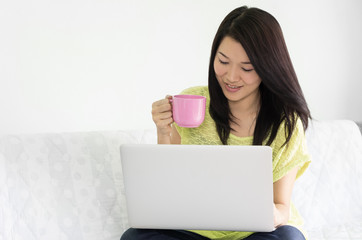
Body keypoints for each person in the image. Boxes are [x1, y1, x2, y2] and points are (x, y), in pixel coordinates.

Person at [121, 5, 311, 240]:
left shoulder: (285, 124)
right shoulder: (192, 101)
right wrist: (163, 130)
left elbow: (281, 207)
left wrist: (269, 216)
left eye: (247, 68)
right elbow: (170, 187)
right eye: (223, 61)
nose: (231, 77)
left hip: (252, 235)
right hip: (190, 231)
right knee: (134, 236)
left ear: (268, 68)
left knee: (289, 238)